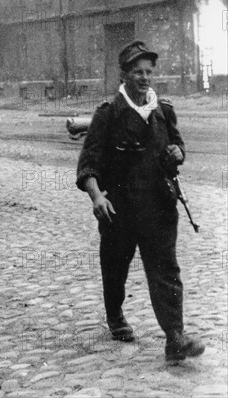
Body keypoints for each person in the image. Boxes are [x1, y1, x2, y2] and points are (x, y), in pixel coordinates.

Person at [76, 41, 205, 362]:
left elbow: (175, 147)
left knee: (166, 270)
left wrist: (178, 154)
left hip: (159, 205)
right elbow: (88, 163)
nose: (144, 77)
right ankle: (115, 314)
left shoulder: (164, 110)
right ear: (124, 75)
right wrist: (96, 195)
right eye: (137, 72)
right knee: (116, 266)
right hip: (118, 207)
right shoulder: (108, 114)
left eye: (148, 71)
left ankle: (175, 337)